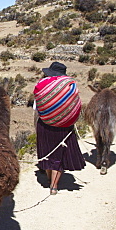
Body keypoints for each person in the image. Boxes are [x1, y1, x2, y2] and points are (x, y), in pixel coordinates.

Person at [33, 61, 85, 194]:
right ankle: (54, 186)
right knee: (59, 155)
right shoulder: (70, 86)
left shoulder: (42, 86)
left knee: (47, 153)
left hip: (45, 126)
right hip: (64, 127)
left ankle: (49, 177)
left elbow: (36, 108)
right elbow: (76, 104)